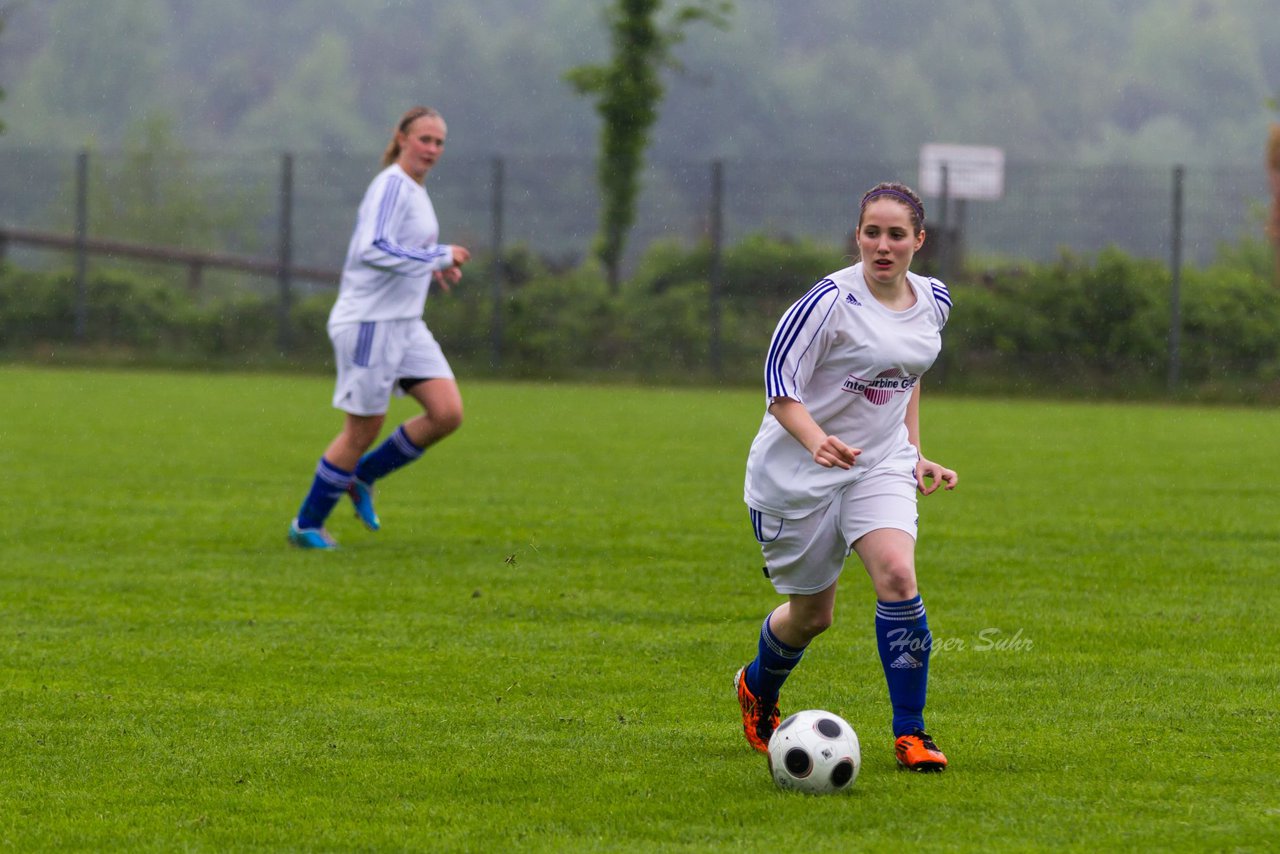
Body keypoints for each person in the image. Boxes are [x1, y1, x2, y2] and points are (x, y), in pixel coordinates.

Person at [734, 181, 958, 771]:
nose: (882, 246)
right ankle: (758, 685)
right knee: (812, 617)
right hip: (795, 475)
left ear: (918, 240)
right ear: (857, 235)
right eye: (871, 233)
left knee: (897, 574)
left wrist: (913, 452)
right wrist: (817, 441)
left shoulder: (934, 300)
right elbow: (778, 386)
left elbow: (906, 375)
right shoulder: (828, 301)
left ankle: (911, 733)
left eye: (896, 235)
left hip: (877, 465)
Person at [288, 106, 471, 549]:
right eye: (424, 139)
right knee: (362, 429)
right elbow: (373, 249)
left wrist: (429, 268)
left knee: (447, 413)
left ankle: (363, 476)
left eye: (439, 142)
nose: (431, 149)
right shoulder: (391, 184)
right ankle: (307, 525)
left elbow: (401, 250)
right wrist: (438, 257)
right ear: (402, 138)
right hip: (369, 323)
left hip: (405, 325)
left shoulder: (414, 190)